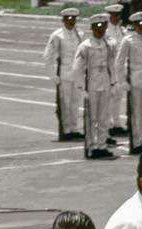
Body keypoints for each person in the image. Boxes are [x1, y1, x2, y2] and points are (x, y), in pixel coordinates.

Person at [74, 14, 118, 159]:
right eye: (97, 27)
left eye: (103, 27)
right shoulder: (85, 46)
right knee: (91, 119)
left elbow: (112, 64)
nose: (100, 30)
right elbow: (78, 68)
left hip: (105, 83)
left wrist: (114, 82)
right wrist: (81, 88)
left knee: (104, 118)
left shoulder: (109, 44)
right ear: (92, 28)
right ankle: (92, 147)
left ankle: (102, 145)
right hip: (91, 85)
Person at [116, 12, 142, 154]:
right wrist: (122, 81)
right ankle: (136, 141)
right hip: (135, 78)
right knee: (136, 111)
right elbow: (119, 62)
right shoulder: (128, 40)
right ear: (134, 25)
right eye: (139, 24)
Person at [45, 8, 85, 141]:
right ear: (63, 20)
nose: (71, 22)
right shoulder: (57, 35)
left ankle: (74, 128)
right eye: (68, 19)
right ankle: (66, 130)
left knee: (75, 102)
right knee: (65, 103)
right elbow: (48, 56)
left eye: (73, 19)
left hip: (77, 73)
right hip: (64, 73)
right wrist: (53, 76)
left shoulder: (79, 34)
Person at [105, 4, 129, 140]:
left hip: (119, 68)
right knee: (109, 98)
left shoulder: (122, 30)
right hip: (109, 68)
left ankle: (117, 124)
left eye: (118, 15)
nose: (116, 17)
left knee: (118, 97)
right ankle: (108, 125)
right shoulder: (105, 30)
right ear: (109, 16)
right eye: (113, 15)